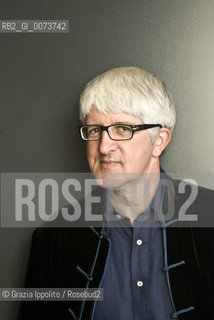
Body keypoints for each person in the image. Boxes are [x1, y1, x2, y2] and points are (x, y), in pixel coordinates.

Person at [19, 67, 214, 320]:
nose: (103, 146)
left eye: (123, 129)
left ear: (159, 141)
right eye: (94, 130)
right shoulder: (54, 240)